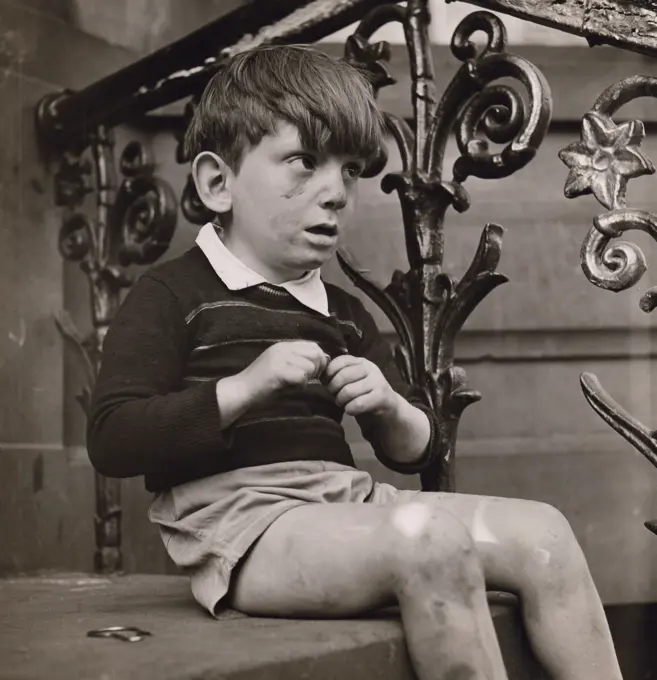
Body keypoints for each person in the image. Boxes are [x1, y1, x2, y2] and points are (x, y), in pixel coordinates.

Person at [87, 44, 623, 680]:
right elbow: (114, 439)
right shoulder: (173, 295)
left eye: (348, 172)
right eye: (303, 163)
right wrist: (242, 389)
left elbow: (416, 448)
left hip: (349, 506)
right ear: (217, 183)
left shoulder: (340, 310)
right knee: (426, 536)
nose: (336, 193)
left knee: (547, 534)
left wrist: (389, 404)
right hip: (248, 530)